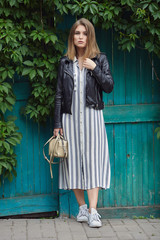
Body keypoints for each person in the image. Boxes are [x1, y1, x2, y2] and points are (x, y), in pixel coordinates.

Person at [53, 18, 114, 228]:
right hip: (69, 120)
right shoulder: (65, 62)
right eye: (77, 33)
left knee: (93, 162)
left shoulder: (100, 59)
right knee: (72, 162)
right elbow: (59, 95)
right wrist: (57, 123)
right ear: (72, 37)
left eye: (84, 33)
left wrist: (95, 68)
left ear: (90, 36)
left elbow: (109, 87)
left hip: (92, 117)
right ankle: (81, 208)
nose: (81, 37)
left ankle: (93, 211)